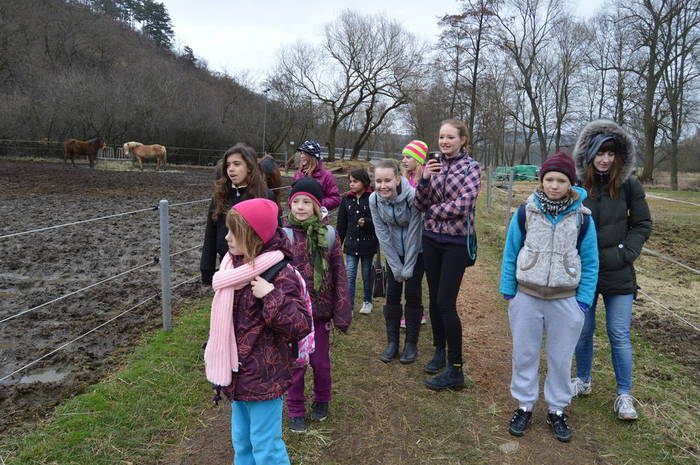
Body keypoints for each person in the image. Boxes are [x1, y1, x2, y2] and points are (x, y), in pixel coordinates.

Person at [203, 198, 312, 465]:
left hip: (265, 377)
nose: (226, 238)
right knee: (242, 443)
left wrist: (271, 296)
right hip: (236, 373)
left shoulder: (279, 273)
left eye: (234, 232)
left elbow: (300, 324)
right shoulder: (232, 268)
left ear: (254, 236)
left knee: (266, 447)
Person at [499, 151, 599, 442]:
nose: (555, 185)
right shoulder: (525, 212)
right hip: (526, 296)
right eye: (550, 179)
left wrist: (582, 302)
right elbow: (511, 251)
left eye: (561, 180)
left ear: (571, 183)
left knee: (561, 357)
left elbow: (591, 261)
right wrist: (509, 291)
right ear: (541, 180)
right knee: (525, 353)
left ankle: (557, 409)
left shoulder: (582, 219)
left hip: (565, 300)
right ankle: (524, 405)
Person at [571, 120, 652, 421]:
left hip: (619, 272)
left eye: (611, 153)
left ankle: (624, 395)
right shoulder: (578, 186)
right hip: (585, 274)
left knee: (618, 334)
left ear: (619, 156)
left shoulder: (629, 185)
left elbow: (642, 223)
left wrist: (626, 253)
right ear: (590, 154)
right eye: (600, 153)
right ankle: (583, 380)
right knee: (583, 330)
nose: (605, 159)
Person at [414, 119, 481, 391]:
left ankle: (456, 369)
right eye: (441, 137)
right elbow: (419, 203)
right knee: (434, 297)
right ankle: (439, 350)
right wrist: (424, 180)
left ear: (462, 140)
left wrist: (433, 211)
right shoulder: (432, 165)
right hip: (431, 240)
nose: (444, 142)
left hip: (456, 243)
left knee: (446, 301)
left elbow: (464, 204)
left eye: (450, 137)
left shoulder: (471, 168)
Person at [284, 177, 352, 433]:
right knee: (296, 365)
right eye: (296, 202)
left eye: (307, 202)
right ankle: (295, 409)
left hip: (320, 315)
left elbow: (340, 275)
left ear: (317, 206)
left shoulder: (329, 235)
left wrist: (341, 312)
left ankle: (322, 398)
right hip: (293, 315)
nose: (300, 207)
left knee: (320, 363)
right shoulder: (283, 235)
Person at [369, 159, 424, 365]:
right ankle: (392, 343)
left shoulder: (413, 197)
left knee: (412, 293)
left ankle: (411, 344)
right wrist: (395, 266)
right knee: (392, 295)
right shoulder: (374, 200)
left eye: (388, 180)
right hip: (393, 253)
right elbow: (382, 234)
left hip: (416, 252)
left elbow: (415, 231)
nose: (383, 186)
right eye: (379, 181)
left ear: (398, 179)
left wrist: (407, 267)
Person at [200, 143, 276, 285]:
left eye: (237, 164)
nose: (231, 169)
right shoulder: (220, 195)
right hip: (227, 266)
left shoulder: (265, 196)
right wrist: (206, 269)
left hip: (256, 269)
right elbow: (210, 233)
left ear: (249, 167)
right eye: (228, 165)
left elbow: (274, 236)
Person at [337, 168, 378, 314]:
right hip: (351, 245)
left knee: (366, 274)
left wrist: (367, 222)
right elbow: (341, 224)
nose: (351, 184)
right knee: (350, 275)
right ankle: (349, 305)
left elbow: (379, 221)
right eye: (350, 181)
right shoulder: (346, 199)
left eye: (355, 181)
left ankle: (367, 301)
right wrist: (338, 243)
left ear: (364, 182)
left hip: (368, 244)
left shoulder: (373, 198)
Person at [400, 140, 429, 327]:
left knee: (414, 278)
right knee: (406, 277)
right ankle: (415, 311)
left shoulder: (426, 179)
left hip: (421, 235)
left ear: (418, 159)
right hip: (405, 234)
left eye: (408, 157)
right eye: (403, 156)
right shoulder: (403, 179)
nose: (404, 160)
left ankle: (415, 313)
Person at [292, 140, 341, 214]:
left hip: (317, 217)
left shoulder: (326, 176)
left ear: (313, 156)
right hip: (298, 216)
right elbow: (291, 195)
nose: (301, 156)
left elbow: (336, 199)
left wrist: (316, 204)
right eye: (301, 153)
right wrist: (293, 204)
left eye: (305, 153)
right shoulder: (298, 174)